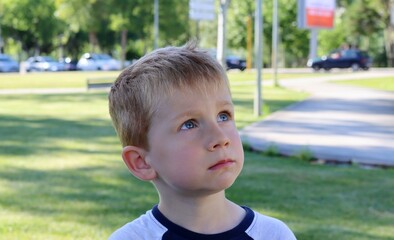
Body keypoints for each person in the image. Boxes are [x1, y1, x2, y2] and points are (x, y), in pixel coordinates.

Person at [108, 42, 297, 240]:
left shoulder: (273, 234)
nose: (220, 138)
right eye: (189, 124)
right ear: (141, 162)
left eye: (223, 116)